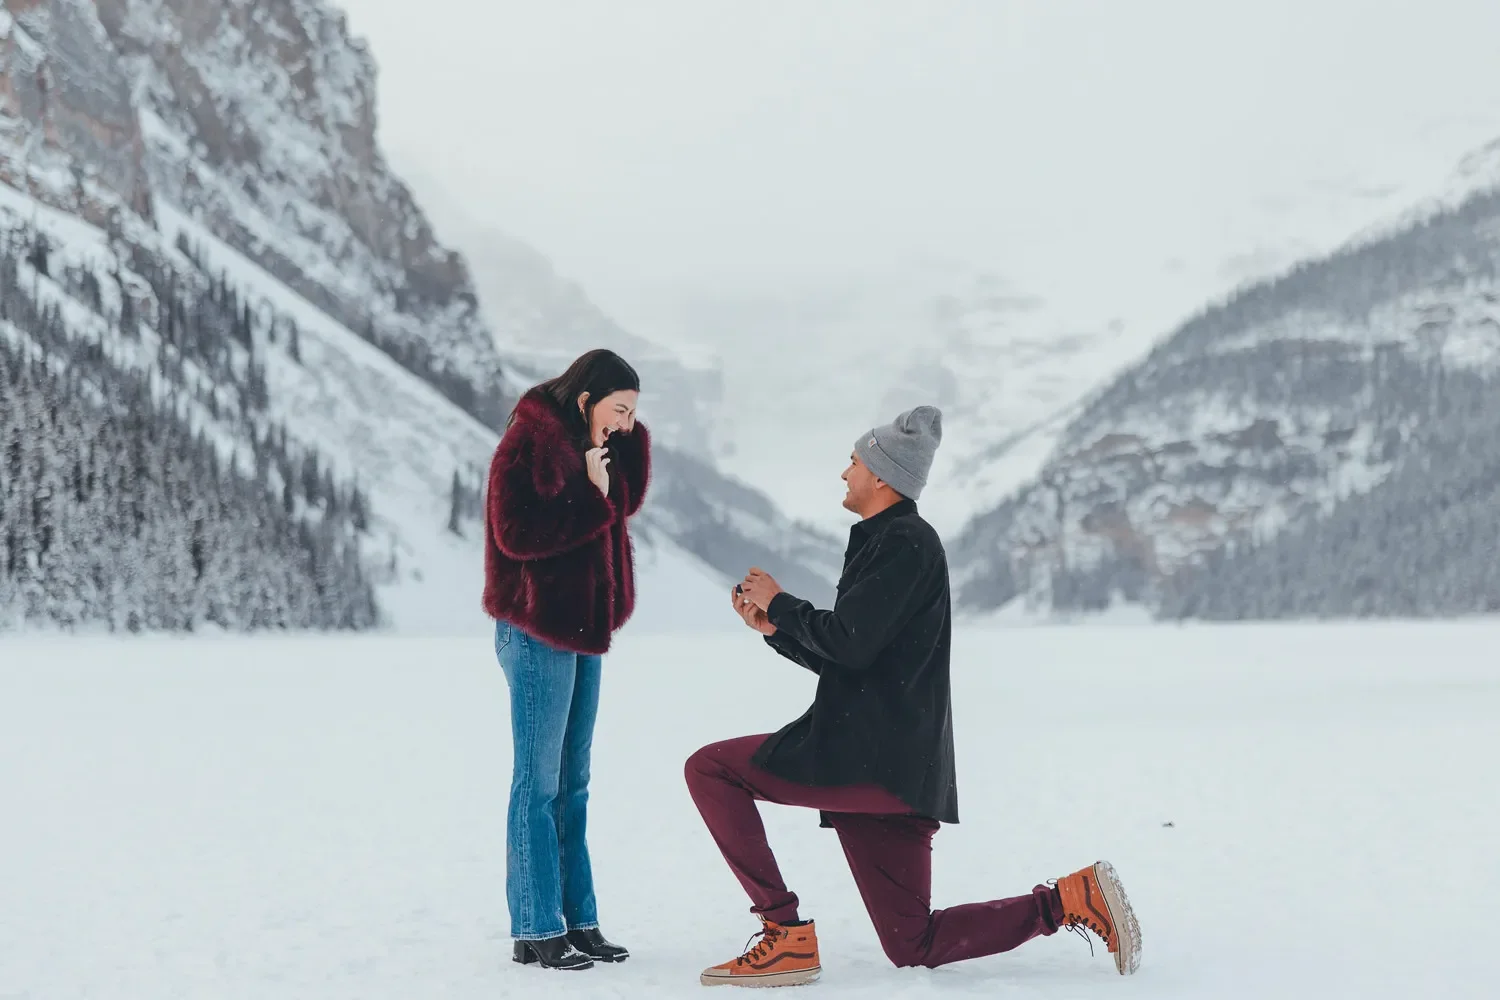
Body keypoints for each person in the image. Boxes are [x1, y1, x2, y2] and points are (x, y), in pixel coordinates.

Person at [684, 405, 1141, 987]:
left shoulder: (904, 542)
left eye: (852, 462)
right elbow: (854, 660)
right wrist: (777, 631)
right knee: (912, 942)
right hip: (897, 768)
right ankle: (1071, 900)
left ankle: (786, 935)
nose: (844, 473)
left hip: (865, 759)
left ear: (881, 474)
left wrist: (782, 604)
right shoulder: (893, 542)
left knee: (710, 770)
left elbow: (848, 645)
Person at [483, 348, 650, 971]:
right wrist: (588, 493)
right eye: (621, 410)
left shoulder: (592, 446)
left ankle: (578, 921)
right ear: (586, 399)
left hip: (583, 631)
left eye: (634, 414)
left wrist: (610, 465)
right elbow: (515, 534)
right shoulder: (528, 442)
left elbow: (622, 504)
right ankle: (534, 925)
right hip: (535, 631)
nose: (628, 423)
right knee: (539, 783)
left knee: (572, 785)